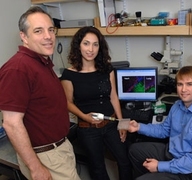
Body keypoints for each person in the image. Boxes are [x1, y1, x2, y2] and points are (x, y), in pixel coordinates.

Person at [0, 6, 80, 180]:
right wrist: (35, 168)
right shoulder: (18, 69)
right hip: (46, 157)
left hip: (58, 150)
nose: (48, 36)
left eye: (51, 30)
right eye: (38, 31)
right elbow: (11, 124)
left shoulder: (40, 62)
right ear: (24, 36)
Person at [60, 26, 133, 180]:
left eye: (95, 44)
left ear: (100, 47)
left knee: (125, 161)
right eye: (86, 43)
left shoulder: (107, 69)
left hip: (111, 123)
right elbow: (67, 102)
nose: (90, 49)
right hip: (88, 129)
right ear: (78, 46)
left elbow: (113, 96)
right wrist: (84, 117)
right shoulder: (69, 74)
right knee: (98, 169)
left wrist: (123, 124)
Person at [128, 66, 192, 180]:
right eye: (180, 84)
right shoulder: (177, 105)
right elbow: (164, 130)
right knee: (134, 150)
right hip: (173, 153)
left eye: (189, 84)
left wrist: (159, 166)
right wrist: (139, 127)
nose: (183, 89)